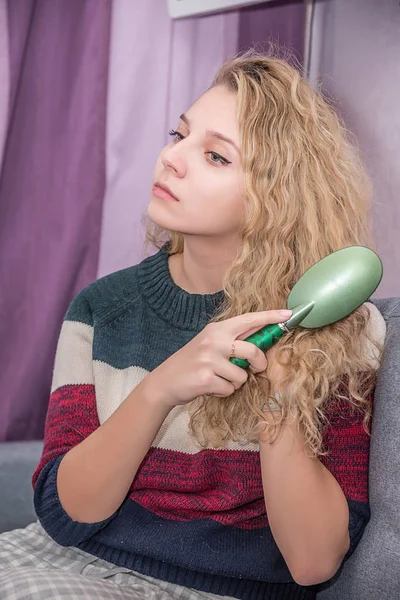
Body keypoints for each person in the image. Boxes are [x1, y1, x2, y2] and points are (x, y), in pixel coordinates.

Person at [0, 51, 386, 600]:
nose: (172, 159)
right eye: (178, 135)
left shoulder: (342, 329)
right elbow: (66, 518)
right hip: (71, 565)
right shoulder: (101, 308)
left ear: (276, 196)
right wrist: (160, 388)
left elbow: (314, 563)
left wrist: (281, 393)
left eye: (215, 157)